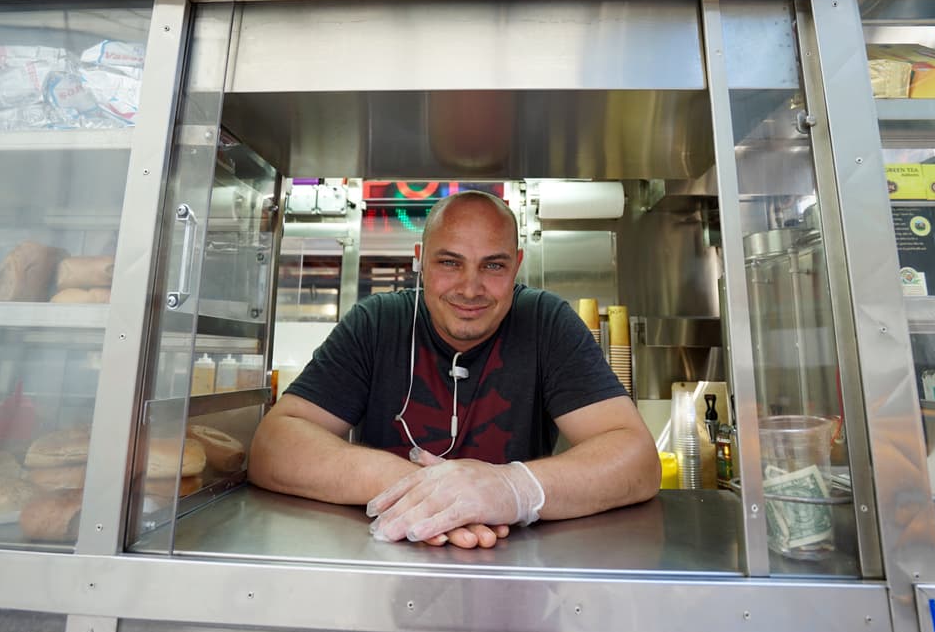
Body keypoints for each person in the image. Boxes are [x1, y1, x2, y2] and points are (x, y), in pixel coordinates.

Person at [248, 190, 660, 549]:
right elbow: (274, 447)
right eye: (450, 262)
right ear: (420, 261)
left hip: (521, 577)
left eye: (493, 266)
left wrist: (510, 489)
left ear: (516, 266)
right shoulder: (377, 324)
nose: (469, 288)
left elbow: (637, 459)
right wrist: (421, 489)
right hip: (385, 573)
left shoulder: (545, 322)